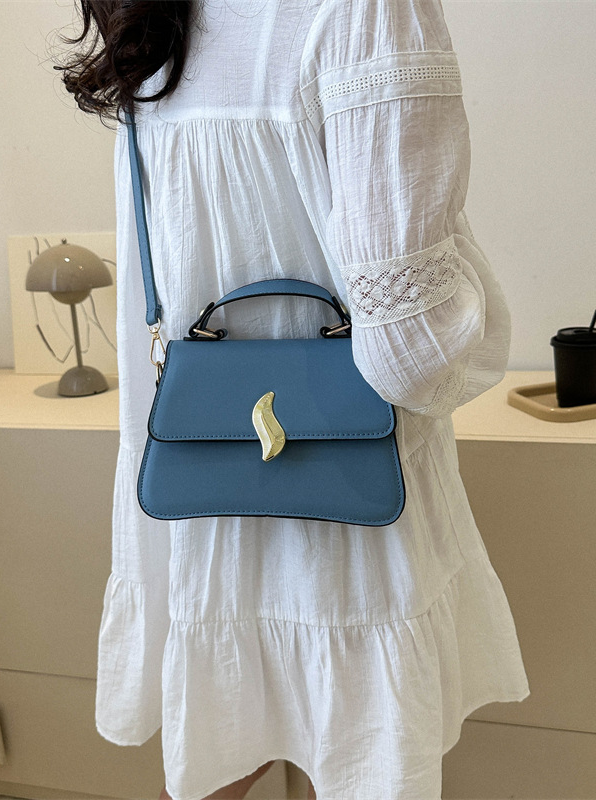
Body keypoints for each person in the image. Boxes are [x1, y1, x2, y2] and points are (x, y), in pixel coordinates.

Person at [57, 1, 530, 798]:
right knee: (355, 755)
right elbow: (412, 354)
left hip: (202, 503)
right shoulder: (365, 11)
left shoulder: (154, 17)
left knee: (224, 746)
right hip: (349, 517)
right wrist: (478, 325)